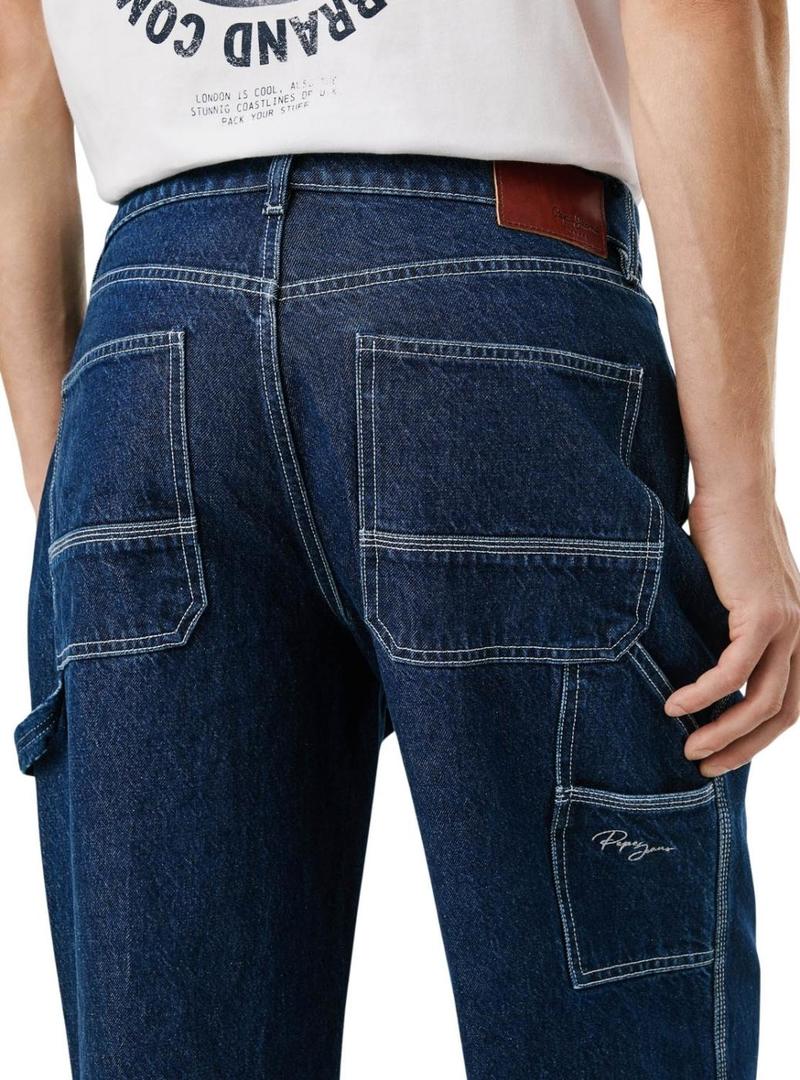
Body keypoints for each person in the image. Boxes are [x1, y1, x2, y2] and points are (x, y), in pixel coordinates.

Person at [1, 1, 797, 1077]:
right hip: (489, 304)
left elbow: (14, 68)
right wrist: (738, 490)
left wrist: (67, 490)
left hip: (149, 347)